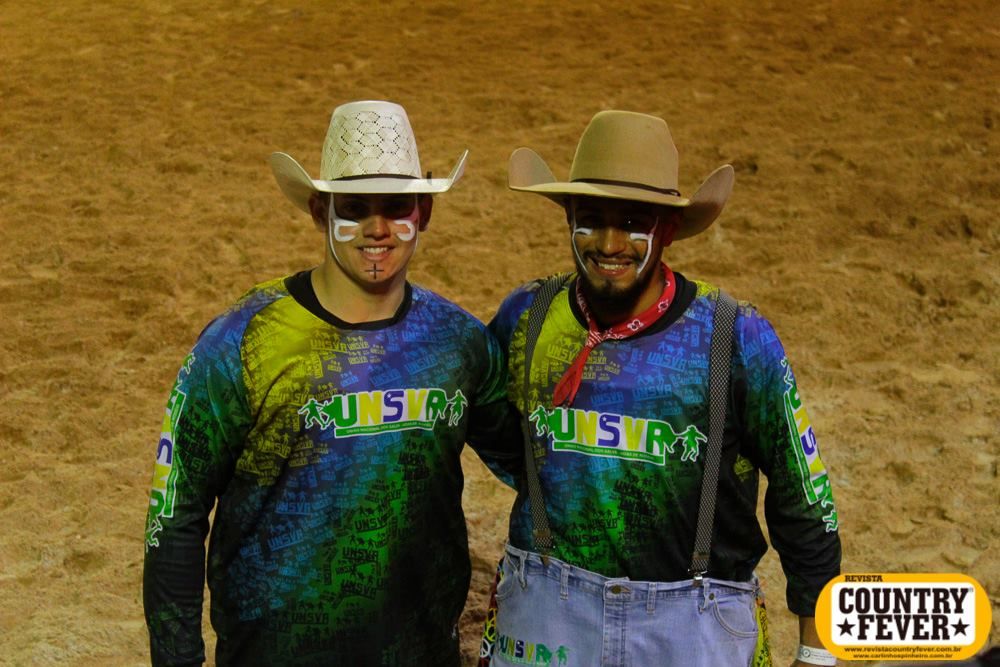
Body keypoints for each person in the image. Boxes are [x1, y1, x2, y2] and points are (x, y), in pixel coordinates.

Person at [142, 100, 518, 666]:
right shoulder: (241, 342)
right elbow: (175, 517)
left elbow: (534, 461)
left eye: (395, 207)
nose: (377, 228)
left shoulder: (460, 342)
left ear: (424, 213)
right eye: (355, 208)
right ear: (321, 212)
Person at [484, 110, 842, 667]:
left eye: (633, 222)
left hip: (693, 618)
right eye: (591, 220)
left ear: (668, 229)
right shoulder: (526, 317)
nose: (610, 243)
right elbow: (498, 435)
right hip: (548, 610)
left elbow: (804, 496)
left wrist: (818, 654)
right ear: (568, 219)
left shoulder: (736, 336)